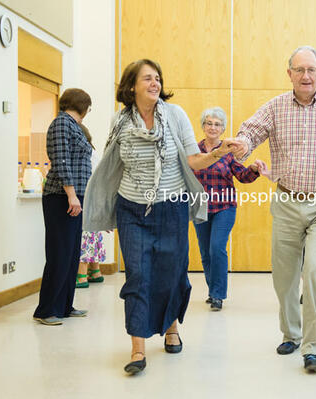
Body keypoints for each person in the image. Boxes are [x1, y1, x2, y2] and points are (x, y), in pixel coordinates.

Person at [82, 59, 244, 375]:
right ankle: (138, 348)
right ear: (131, 86)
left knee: (172, 272)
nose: (155, 83)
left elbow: (193, 160)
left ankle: (171, 328)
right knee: (138, 275)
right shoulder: (120, 121)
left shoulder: (175, 115)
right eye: (147, 78)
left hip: (171, 207)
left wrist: (218, 152)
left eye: (157, 78)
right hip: (132, 208)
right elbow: (112, 165)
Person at [233, 45, 316, 372]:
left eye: (311, 70)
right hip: (288, 201)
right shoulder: (276, 107)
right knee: (285, 275)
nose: (306, 76)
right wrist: (242, 145)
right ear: (289, 73)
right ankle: (291, 332)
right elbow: (250, 132)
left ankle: (314, 347)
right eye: (299, 70)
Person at [193, 107, 267, 311]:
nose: (213, 127)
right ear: (203, 126)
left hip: (224, 207)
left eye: (217, 124)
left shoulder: (229, 150)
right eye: (209, 123)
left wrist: (252, 169)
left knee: (217, 247)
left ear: (223, 128)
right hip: (199, 207)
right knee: (205, 252)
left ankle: (218, 295)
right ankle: (212, 290)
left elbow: (242, 176)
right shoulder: (194, 150)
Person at [33, 88, 92, 326]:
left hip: (73, 197)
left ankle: (64, 306)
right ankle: (46, 310)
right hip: (60, 197)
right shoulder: (61, 124)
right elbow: (61, 160)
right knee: (59, 254)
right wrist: (71, 195)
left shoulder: (72, 125)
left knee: (70, 255)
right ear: (82, 106)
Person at [76, 124, 106, 288]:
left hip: (85, 199)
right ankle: (95, 272)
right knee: (93, 235)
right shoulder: (94, 152)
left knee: (84, 238)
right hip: (95, 200)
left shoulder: (82, 153)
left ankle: (81, 276)